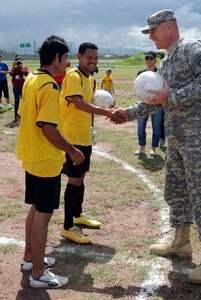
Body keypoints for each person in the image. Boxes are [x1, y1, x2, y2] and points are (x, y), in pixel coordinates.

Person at [114, 9, 201, 284]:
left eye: (152, 31)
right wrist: (126, 113)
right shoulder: (166, 62)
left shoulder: (191, 48)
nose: (151, 37)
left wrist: (172, 95)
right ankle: (181, 240)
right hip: (177, 137)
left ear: (167, 27)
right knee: (175, 190)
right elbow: (156, 99)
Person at [17, 35, 85, 288]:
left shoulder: (32, 79)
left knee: (35, 209)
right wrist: (72, 150)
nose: (67, 63)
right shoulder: (48, 86)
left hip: (33, 156)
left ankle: (29, 258)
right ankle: (37, 273)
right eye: (66, 58)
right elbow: (47, 127)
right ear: (56, 58)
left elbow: (24, 114)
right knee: (43, 215)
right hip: (46, 159)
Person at [60, 42, 125, 244]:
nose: (93, 62)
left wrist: (108, 106)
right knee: (74, 179)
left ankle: (77, 215)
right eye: (89, 58)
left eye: (96, 58)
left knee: (80, 178)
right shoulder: (73, 76)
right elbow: (78, 104)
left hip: (84, 136)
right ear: (79, 56)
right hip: (72, 138)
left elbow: (91, 103)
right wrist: (108, 113)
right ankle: (68, 227)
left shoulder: (91, 79)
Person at [135, 50, 164, 156]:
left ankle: (153, 149)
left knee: (156, 128)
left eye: (151, 58)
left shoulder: (160, 72)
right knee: (140, 127)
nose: (149, 60)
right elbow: (137, 88)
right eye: (147, 58)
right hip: (144, 104)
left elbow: (164, 87)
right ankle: (142, 148)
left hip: (157, 105)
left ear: (155, 60)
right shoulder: (140, 73)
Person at [9, 56, 29, 123]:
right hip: (16, 87)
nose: (19, 62)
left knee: (23, 101)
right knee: (17, 101)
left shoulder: (24, 67)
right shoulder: (14, 68)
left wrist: (22, 67)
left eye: (20, 60)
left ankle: (24, 116)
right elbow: (11, 74)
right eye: (17, 61)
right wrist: (13, 66)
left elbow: (26, 74)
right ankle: (16, 117)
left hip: (23, 87)